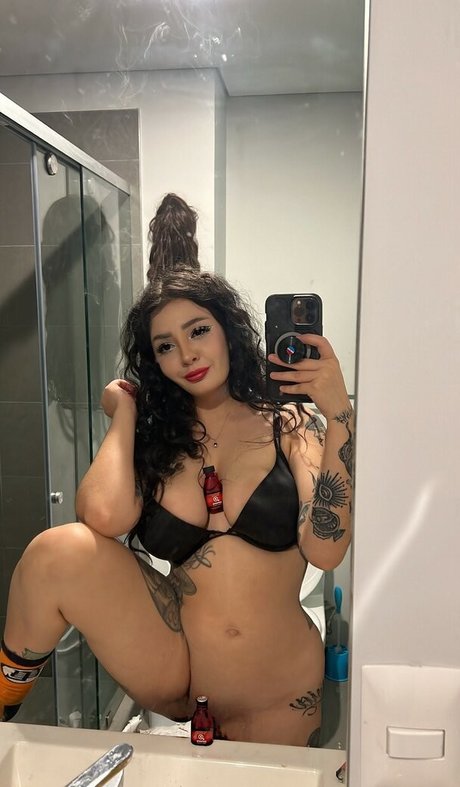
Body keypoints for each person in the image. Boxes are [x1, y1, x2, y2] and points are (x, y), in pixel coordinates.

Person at [0, 195, 354, 746]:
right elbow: (101, 517)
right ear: (155, 362)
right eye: (166, 345)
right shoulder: (158, 442)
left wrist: (338, 414)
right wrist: (126, 412)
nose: (186, 354)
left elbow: (326, 550)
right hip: (183, 674)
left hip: (279, 690)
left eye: (198, 331)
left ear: (228, 331)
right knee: (56, 552)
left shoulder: (288, 424)